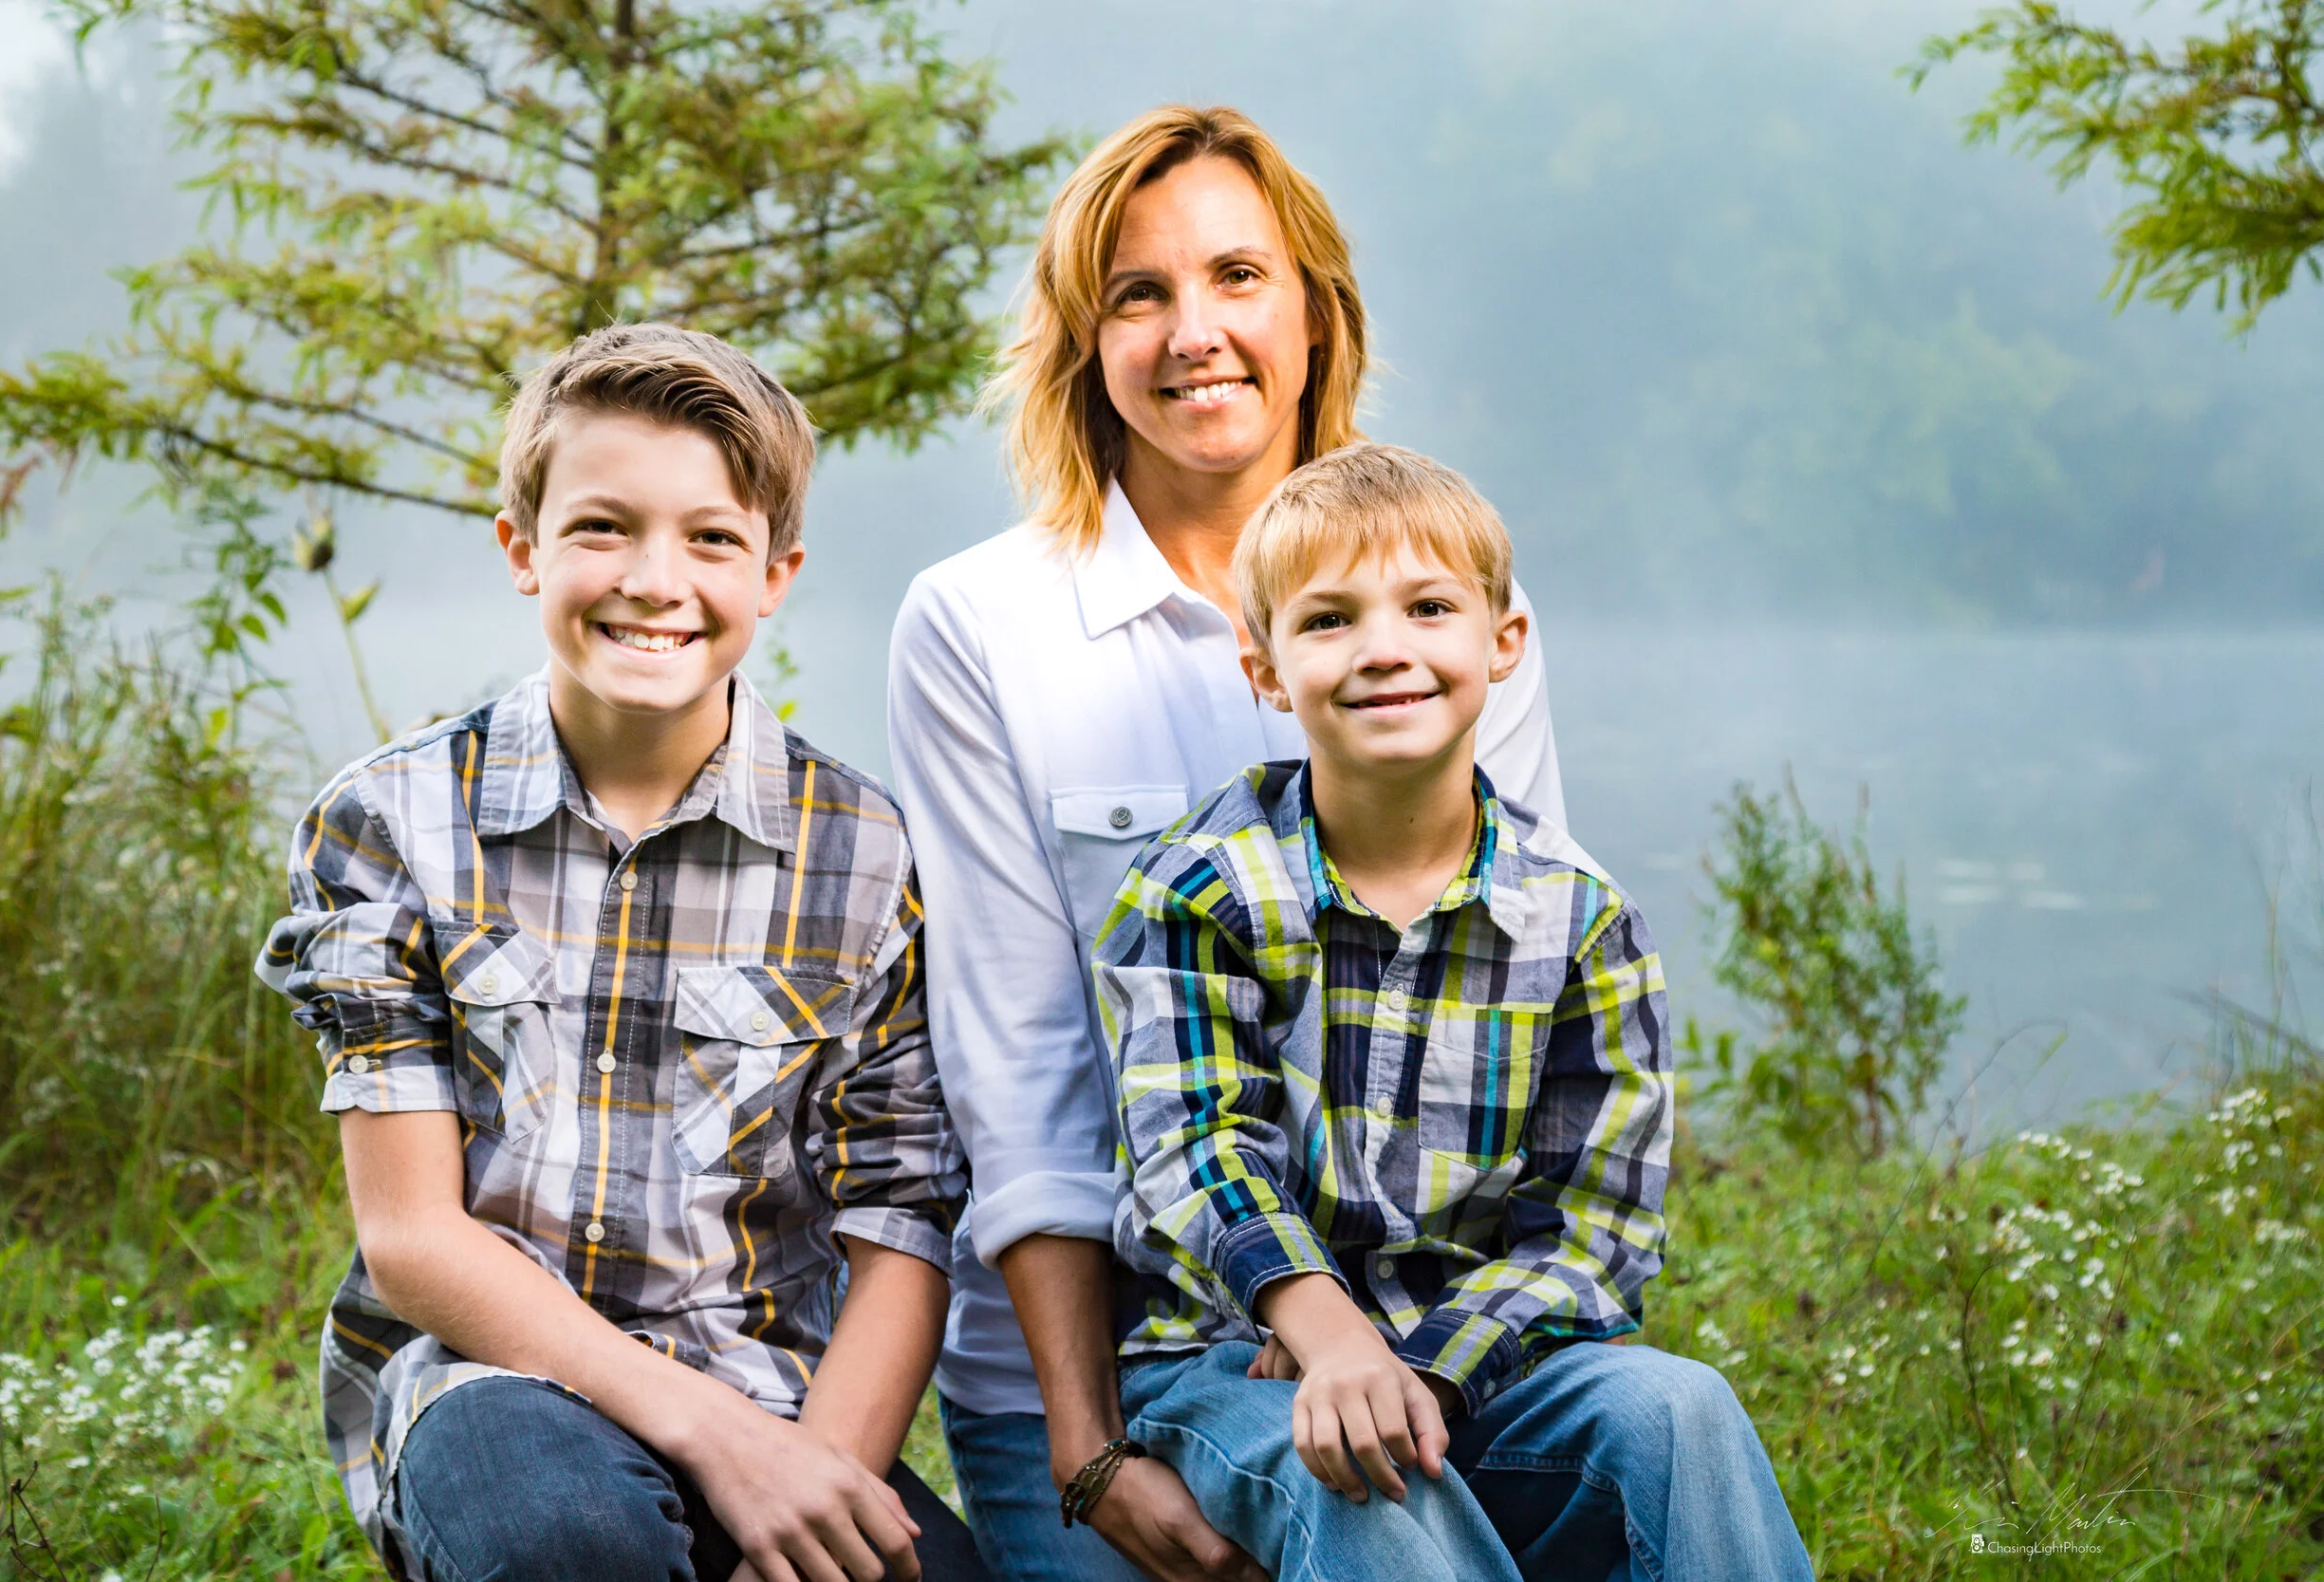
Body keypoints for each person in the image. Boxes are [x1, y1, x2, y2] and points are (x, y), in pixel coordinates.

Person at [886, 106, 1565, 1582]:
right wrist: (1086, 1445)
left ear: (1316, 311)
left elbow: (1516, 1013)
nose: (1195, 332)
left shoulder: (1448, 600)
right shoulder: (980, 624)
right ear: (1087, 344)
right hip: (1105, 1372)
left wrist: (1426, 1354)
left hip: (1418, 1345)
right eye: (1139, 293)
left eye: (1238, 276)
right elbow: (1016, 1063)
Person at [257, 324, 988, 1582]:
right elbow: (413, 1236)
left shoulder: (869, 854)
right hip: (492, 1387)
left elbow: (902, 1223)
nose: (655, 580)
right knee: (564, 1539)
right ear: (522, 548)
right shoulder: (390, 820)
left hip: (776, 1399)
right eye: (603, 528)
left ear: (776, 571)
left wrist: (810, 1482)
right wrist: (716, 1436)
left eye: (710, 538)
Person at [1095, 443, 1814, 1580]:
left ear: (1502, 640)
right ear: (1264, 667)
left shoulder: (1580, 920)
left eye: (1428, 607)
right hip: (1233, 1360)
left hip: (1477, 1363)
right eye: (1329, 619)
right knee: (1361, 1476)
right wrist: (1328, 1335)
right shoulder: (1199, 889)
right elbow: (1197, 1146)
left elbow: (1594, 1226)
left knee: (1678, 1409)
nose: (1385, 647)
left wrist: (1425, 1369)